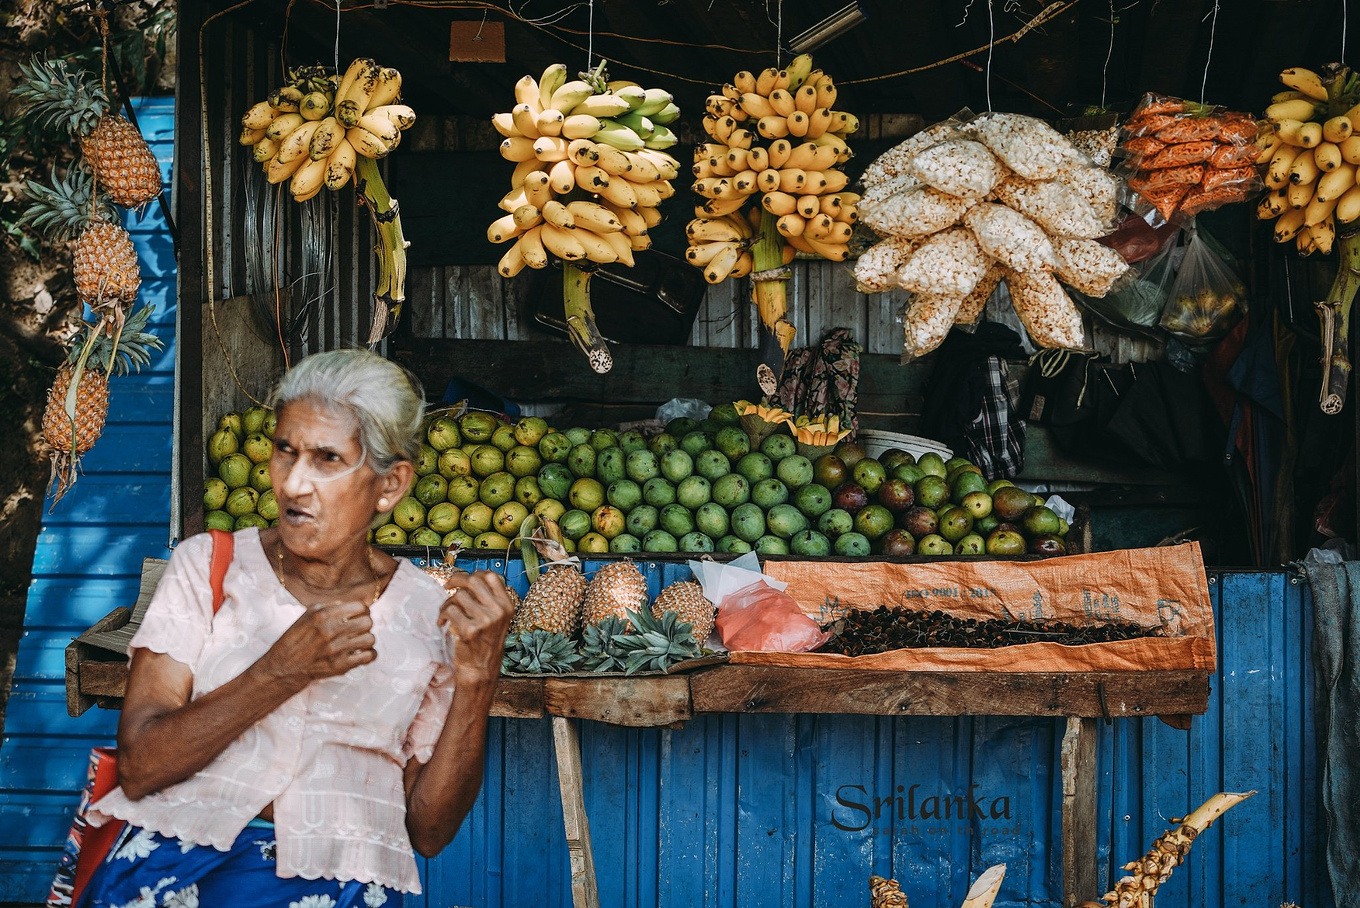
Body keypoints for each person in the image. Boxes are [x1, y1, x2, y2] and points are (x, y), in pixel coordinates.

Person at [80, 350, 516, 907]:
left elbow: (428, 832)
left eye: (328, 459)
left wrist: (478, 680)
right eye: (285, 452)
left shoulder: (427, 613)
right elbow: (141, 767)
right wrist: (280, 671)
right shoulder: (206, 566)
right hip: (178, 875)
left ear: (390, 485)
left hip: (341, 886)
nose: (294, 484)